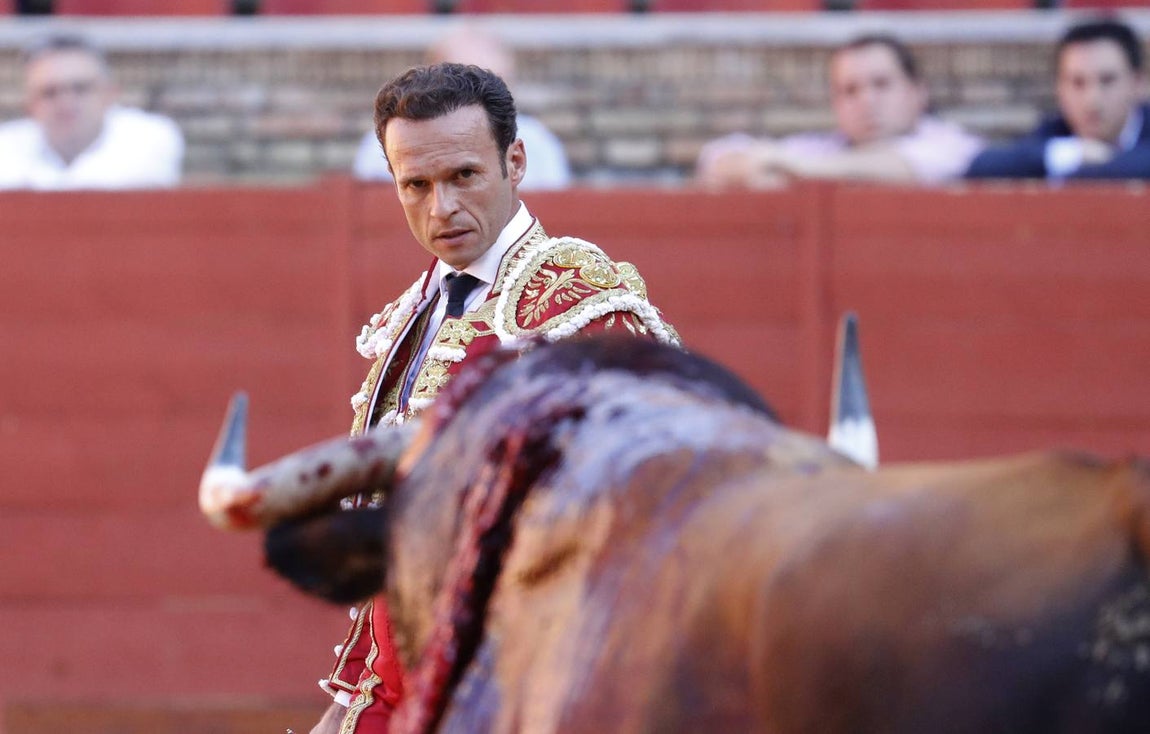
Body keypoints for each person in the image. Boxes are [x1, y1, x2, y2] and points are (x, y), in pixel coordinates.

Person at [310, 62, 677, 734]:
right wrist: (354, 701)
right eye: (414, 185)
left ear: (515, 162)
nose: (440, 209)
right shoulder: (411, 316)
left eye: (463, 177)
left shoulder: (581, 308)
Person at [696, 34, 982, 188]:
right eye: (850, 90)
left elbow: (909, 167)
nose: (867, 101)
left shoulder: (952, 145)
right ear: (836, 104)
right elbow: (715, 157)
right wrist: (761, 169)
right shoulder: (824, 150)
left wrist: (794, 169)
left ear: (918, 91)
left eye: (881, 84)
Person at [353, 24, 572, 191]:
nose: (485, 98)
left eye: (498, 85)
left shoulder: (536, 143)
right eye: (468, 86)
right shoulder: (389, 140)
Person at [965, 18, 1150, 180]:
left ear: (1138, 83)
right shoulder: (1057, 133)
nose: (1092, 100)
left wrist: (1092, 165)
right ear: (1059, 89)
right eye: (1077, 83)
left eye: (1107, 80)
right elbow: (982, 166)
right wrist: (1072, 154)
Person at [0, 34, 184, 190]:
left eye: (80, 89)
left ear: (110, 94)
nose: (66, 102)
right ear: (30, 106)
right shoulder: (6, 144)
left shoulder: (151, 135)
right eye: (50, 92)